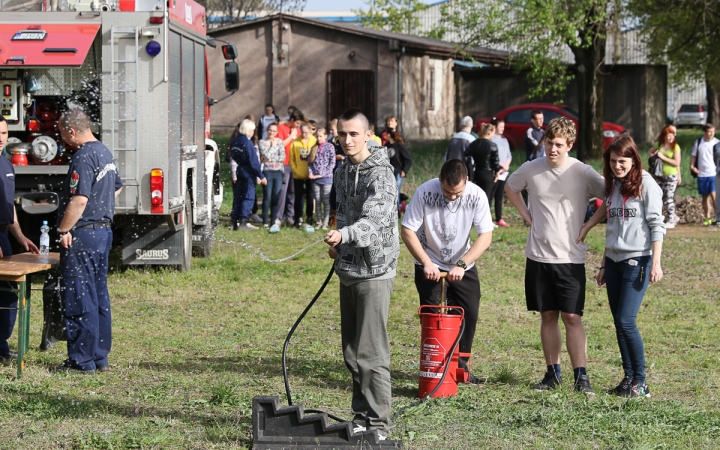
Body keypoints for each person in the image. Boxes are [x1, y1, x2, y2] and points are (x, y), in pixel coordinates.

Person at [505, 117, 605, 394]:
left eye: (559, 145)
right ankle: (552, 373)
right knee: (547, 315)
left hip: (570, 258)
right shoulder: (530, 168)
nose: (552, 149)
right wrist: (526, 215)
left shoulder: (583, 172)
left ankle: (581, 376)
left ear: (570, 145)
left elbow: (611, 196)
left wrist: (589, 224)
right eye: (549, 143)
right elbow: (510, 188)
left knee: (572, 317)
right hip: (538, 256)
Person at [324, 108, 399, 440]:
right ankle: (361, 416)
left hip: (374, 272)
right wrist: (339, 244)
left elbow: (373, 221)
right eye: (342, 134)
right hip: (348, 268)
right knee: (352, 352)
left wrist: (345, 236)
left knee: (371, 352)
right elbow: (344, 215)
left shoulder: (380, 174)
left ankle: (379, 425)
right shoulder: (342, 172)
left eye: (354, 133)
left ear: (369, 135)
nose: (347, 140)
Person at [577, 136, 665, 398]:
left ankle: (641, 382)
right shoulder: (615, 185)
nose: (617, 166)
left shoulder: (647, 184)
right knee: (618, 322)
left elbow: (657, 225)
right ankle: (628, 379)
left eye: (622, 161)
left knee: (627, 321)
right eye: (613, 161)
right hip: (613, 263)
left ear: (634, 160)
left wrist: (656, 262)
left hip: (637, 261)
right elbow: (611, 218)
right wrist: (603, 261)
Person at [401, 159, 494, 383]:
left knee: (468, 313)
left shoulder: (477, 195)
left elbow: (486, 236)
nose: (452, 196)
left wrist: (461, 264)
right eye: (447, 191)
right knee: (433, 316)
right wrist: (426, 262)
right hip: (429, 260)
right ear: (440, 180)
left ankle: (459, 369)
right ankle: (435, 367)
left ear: (467, 182)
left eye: (457, 192)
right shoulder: (424, 191)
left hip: (462, 263)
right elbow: (407, 230)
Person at [54, 109, 122, 374]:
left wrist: (63, 230)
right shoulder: (104, 152)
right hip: (103, 232)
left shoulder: (82, 157)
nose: (62, 139)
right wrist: (101, 201)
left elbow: (79, 199)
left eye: (62, 133)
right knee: (97, 294)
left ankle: (81, 361)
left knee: (79, 296)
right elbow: (116, 185)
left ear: (72, 131)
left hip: (82, 235)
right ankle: (99, 356)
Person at [0, 117, 40, 364]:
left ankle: (2, 346)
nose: (0, 137)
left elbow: (8, 206)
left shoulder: (6, 164)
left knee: (8, 293)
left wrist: (21, 236)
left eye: (3, 132)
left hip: (4, 236)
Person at [229, 119, 266, 230]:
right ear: (248, 129)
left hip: (239, 169)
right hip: (248, 172)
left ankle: (234, 221)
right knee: (248, 197)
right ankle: (243, 221)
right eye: (252, 130)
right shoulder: (247, 143)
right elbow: (254, 161)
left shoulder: (234, 141)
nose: (253, 132)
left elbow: (233, 155)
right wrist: (261, 176)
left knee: (238, 196)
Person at [648, 126, 681, 228]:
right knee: (660, 196)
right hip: (660, 175)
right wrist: (654, 156)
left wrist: (663, 157)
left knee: (668, 197)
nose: (671, 138)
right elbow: (649, 152)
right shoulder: (659, 145)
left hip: (671, 175)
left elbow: (676, 162)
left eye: (672, 136)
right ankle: (661, 217)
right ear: (664, 136)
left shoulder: (675, 147)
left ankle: (672, 219)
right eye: (669, 136)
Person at [277, 111, 302, 226]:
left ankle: (290, 215)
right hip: (284, 163)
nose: (298, 126)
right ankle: (279, 216)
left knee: (292, 191)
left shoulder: (298, 130)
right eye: (297, 123)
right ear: (291, 120)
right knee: (283, 191)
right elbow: (280, 144)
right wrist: (291, 136)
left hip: (295, 165)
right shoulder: (281, 128)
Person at [259, 122, 285, 231]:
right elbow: (266, 155)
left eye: (274, 131)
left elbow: (282, 157)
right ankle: (265, 221)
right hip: (267, 171)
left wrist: (271, 159)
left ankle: (273, 219)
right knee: (267, 196)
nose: (271, 132)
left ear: (277, 132)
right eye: (270, 130)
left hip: (278, 171)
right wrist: (273, 147)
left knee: (276, 196)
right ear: (267, 130)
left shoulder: (280, 142)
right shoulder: (262, 142)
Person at [290, 122, 317, 227]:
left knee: (310, 197)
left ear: (310, 131)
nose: (304, 134)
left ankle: (310, 217)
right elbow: (291, 158)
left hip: (311, 174)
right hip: (298, 174)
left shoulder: (314, 142)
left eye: (306, 132)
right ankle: (297, 218)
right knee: (298, 197)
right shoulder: (295, 142)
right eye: (302, 132)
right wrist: (294, 169)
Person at [690, 124, 718, 225]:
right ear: (704, 132)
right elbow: (694, 156)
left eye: (713, 131)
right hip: (702, 174)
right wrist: (692, 167)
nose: (711, 134)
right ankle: (707, 218)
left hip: (714, 173)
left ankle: (718, 217)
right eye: (709, 131)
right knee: (705, 197)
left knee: (715, 196)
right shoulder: (698, 142)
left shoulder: (717, 143)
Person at [308, 127, 335, 229]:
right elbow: (309, 163)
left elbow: (331, 163)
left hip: (326, 178)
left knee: (326, 200)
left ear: (325, 136)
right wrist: (310, 173)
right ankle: (319, 220)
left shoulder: (330, 147)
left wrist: (322, 174)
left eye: (320, 136)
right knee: (318, 200)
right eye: (317, 136)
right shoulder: (313, 148)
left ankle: (326, 221)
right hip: (315, 179)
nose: (319, 138)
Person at [466, 123, 500, 202]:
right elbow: (495, 161)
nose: (493, 135)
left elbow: (467, 155)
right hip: (487, 173)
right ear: (489, 132)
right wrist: (497, 172)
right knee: (486, 198)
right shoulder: (492, 145)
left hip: (476, 172)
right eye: (493, 133)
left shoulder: (474, 143)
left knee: (476, 197)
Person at [490, 117, 512, 227]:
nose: (503, 129)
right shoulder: (491, 140)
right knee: (490, 195)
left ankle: (499, 218)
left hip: (504, 173)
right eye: (501, 126)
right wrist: (501, 165)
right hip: (495, 172)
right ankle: (488, 218)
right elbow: (491, 156)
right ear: (495, 127)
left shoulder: (504, 140)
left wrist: (506, 165)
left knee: (499, 196)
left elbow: (509, 155)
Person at [386, 130, 412, 209]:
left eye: (386, 134)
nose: (384, 136)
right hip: (388, 173)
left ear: (389, 135)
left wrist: (404, 170)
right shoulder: (386, 145)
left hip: (398, 174)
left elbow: (409, 159)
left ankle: (396, 213)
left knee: (395, 193)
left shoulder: (399, 146)